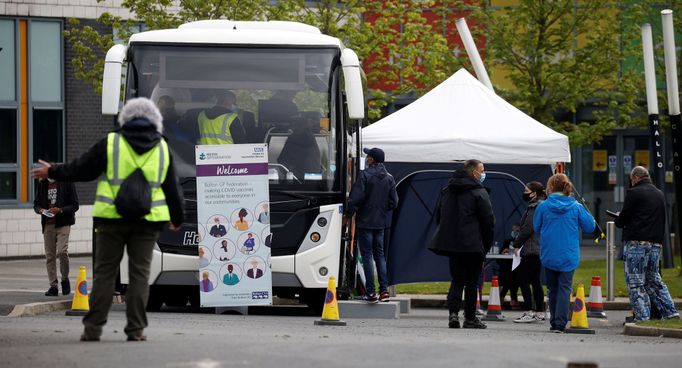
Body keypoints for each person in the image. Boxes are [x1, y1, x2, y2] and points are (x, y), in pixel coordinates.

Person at [31, 97, 184, 342]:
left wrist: (52, 171)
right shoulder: (163, 147)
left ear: (124, 118)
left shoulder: (111, 143)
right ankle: (135, 330)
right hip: (147, 222)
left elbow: (81, 169)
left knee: (104, 274)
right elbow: (172, 190)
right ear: (155, 120)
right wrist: (177, 218)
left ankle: (93, 329)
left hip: (111, 220)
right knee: (139, 275)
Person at [428, 159, 494, 329]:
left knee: (457, 279)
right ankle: (470, 318)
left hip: (452, 244)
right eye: (482, 170)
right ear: (474, 173)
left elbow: (439, 216)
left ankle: (453, 314)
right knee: (472, 282)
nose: (484, 173)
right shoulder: (479, 192)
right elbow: (488, 221)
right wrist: (485, 246)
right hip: (473, 244)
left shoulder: (447, 190)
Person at [615, 166, 679, 321]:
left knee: (635, 281)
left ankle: (642, 317)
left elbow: (623, 219)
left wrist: (618, 218)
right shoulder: (659, 193)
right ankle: (671, 313)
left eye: (632, 180)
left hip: (637, 243)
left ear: (635, 178)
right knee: (654, 280)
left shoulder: (634, 192)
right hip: (656, 244)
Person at [534, 173, 595, 333]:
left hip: (549, 253)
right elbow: (590, 227)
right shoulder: (576, 206)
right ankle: (560, 323)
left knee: (552, 289)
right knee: (564, 288)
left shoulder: (543, 206)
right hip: (569, 253)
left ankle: (554, 321)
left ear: (551, 187)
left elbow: (536, 228)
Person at [344, 147, 398, 303]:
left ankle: (370, 293)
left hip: (365, 222)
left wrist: (348, 214)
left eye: (368, 156)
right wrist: (381, 210)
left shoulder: (365, 175)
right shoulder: (389, 178)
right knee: (379, 256)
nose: (366, 158)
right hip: (380, 222)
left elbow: (355, 198)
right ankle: (384, 291)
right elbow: (394, 202)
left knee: (367, 256)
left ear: (372, 159)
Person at [34, 178, 79, 296]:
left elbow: (75, 205)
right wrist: (41, 210)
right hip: (48, 224)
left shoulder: (67, 182)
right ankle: (53, 286)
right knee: (50, 256)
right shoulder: (42, 184)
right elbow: (36, 204)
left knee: (62, 251)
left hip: (63, 223)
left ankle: (65, 279)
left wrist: (60, 210)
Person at [512, 182, 547, 323]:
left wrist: (516, 244)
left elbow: (527, 229)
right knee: (535, 281)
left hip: (531, 249)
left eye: (526, 190)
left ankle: (529, 311)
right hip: (538, 249)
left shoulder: (534, 208)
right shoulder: (542, 205)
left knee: (523, 279)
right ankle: (540, 311)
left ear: (534, 194)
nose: (524, 193)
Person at [498, 224, 520, 310]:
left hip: (517, 267)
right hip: (506, 267)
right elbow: (499, 258)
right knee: (509, 274)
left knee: (512, 275)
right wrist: (504, 252)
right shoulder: (507, 242)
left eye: (517, 230)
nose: (514, 232)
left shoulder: (522, 242)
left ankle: (502, 297)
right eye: (513, 230)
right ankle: (513, 299)